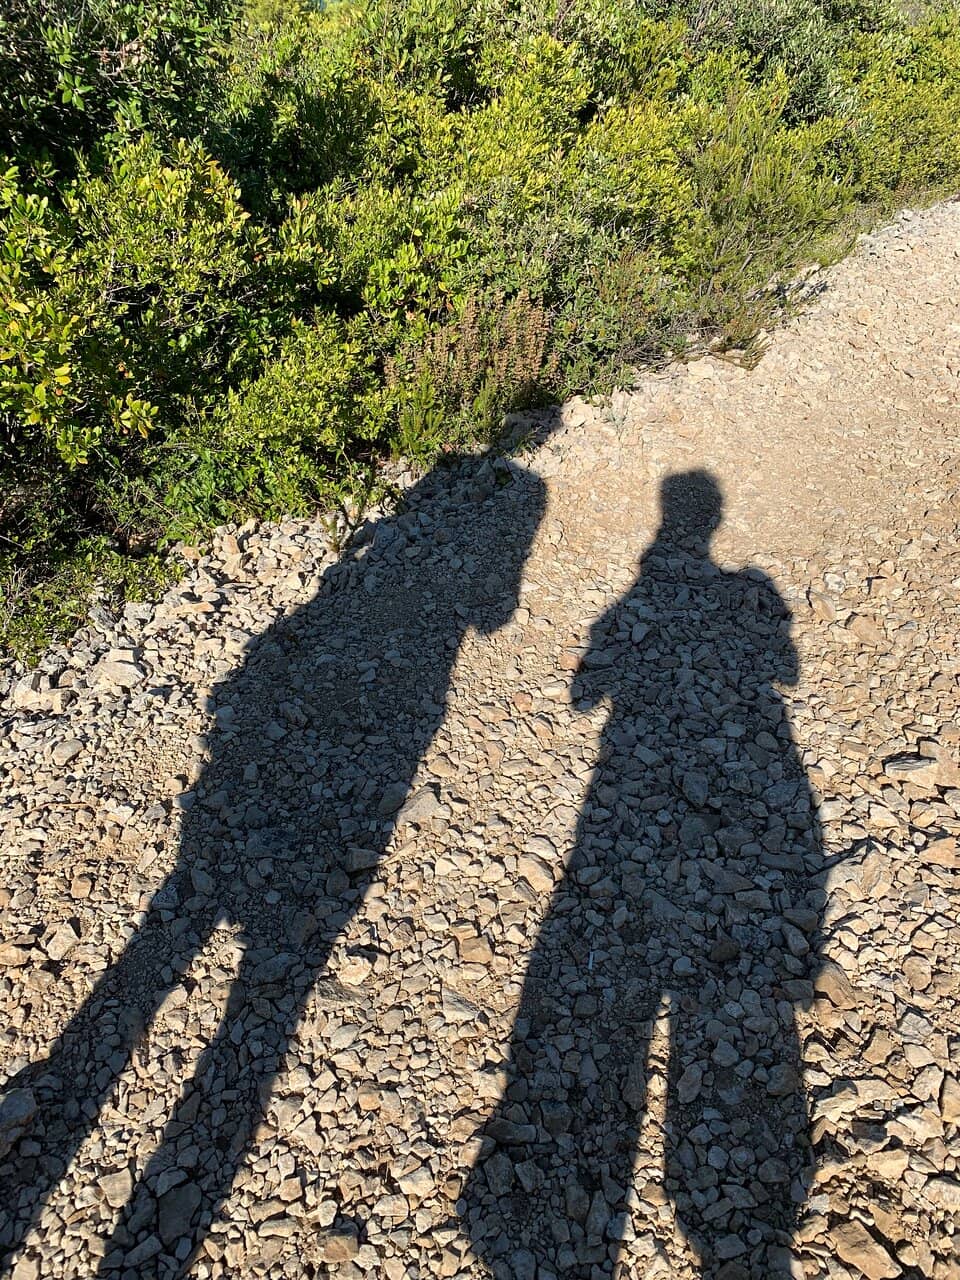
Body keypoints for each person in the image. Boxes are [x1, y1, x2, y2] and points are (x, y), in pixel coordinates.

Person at [0, 450, 546, 1278]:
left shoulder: (355, 569)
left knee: (156, 946)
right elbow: (498, 612)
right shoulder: (484, 532)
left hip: (236, 773)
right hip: (353, 734)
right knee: (252, 987)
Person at [465, 469, 824, 1280]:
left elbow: (586, 689)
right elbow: (789, 674)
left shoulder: (635, 598)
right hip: (739, 784)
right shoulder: (751, 594)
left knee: (587, 965)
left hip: (622, 784)